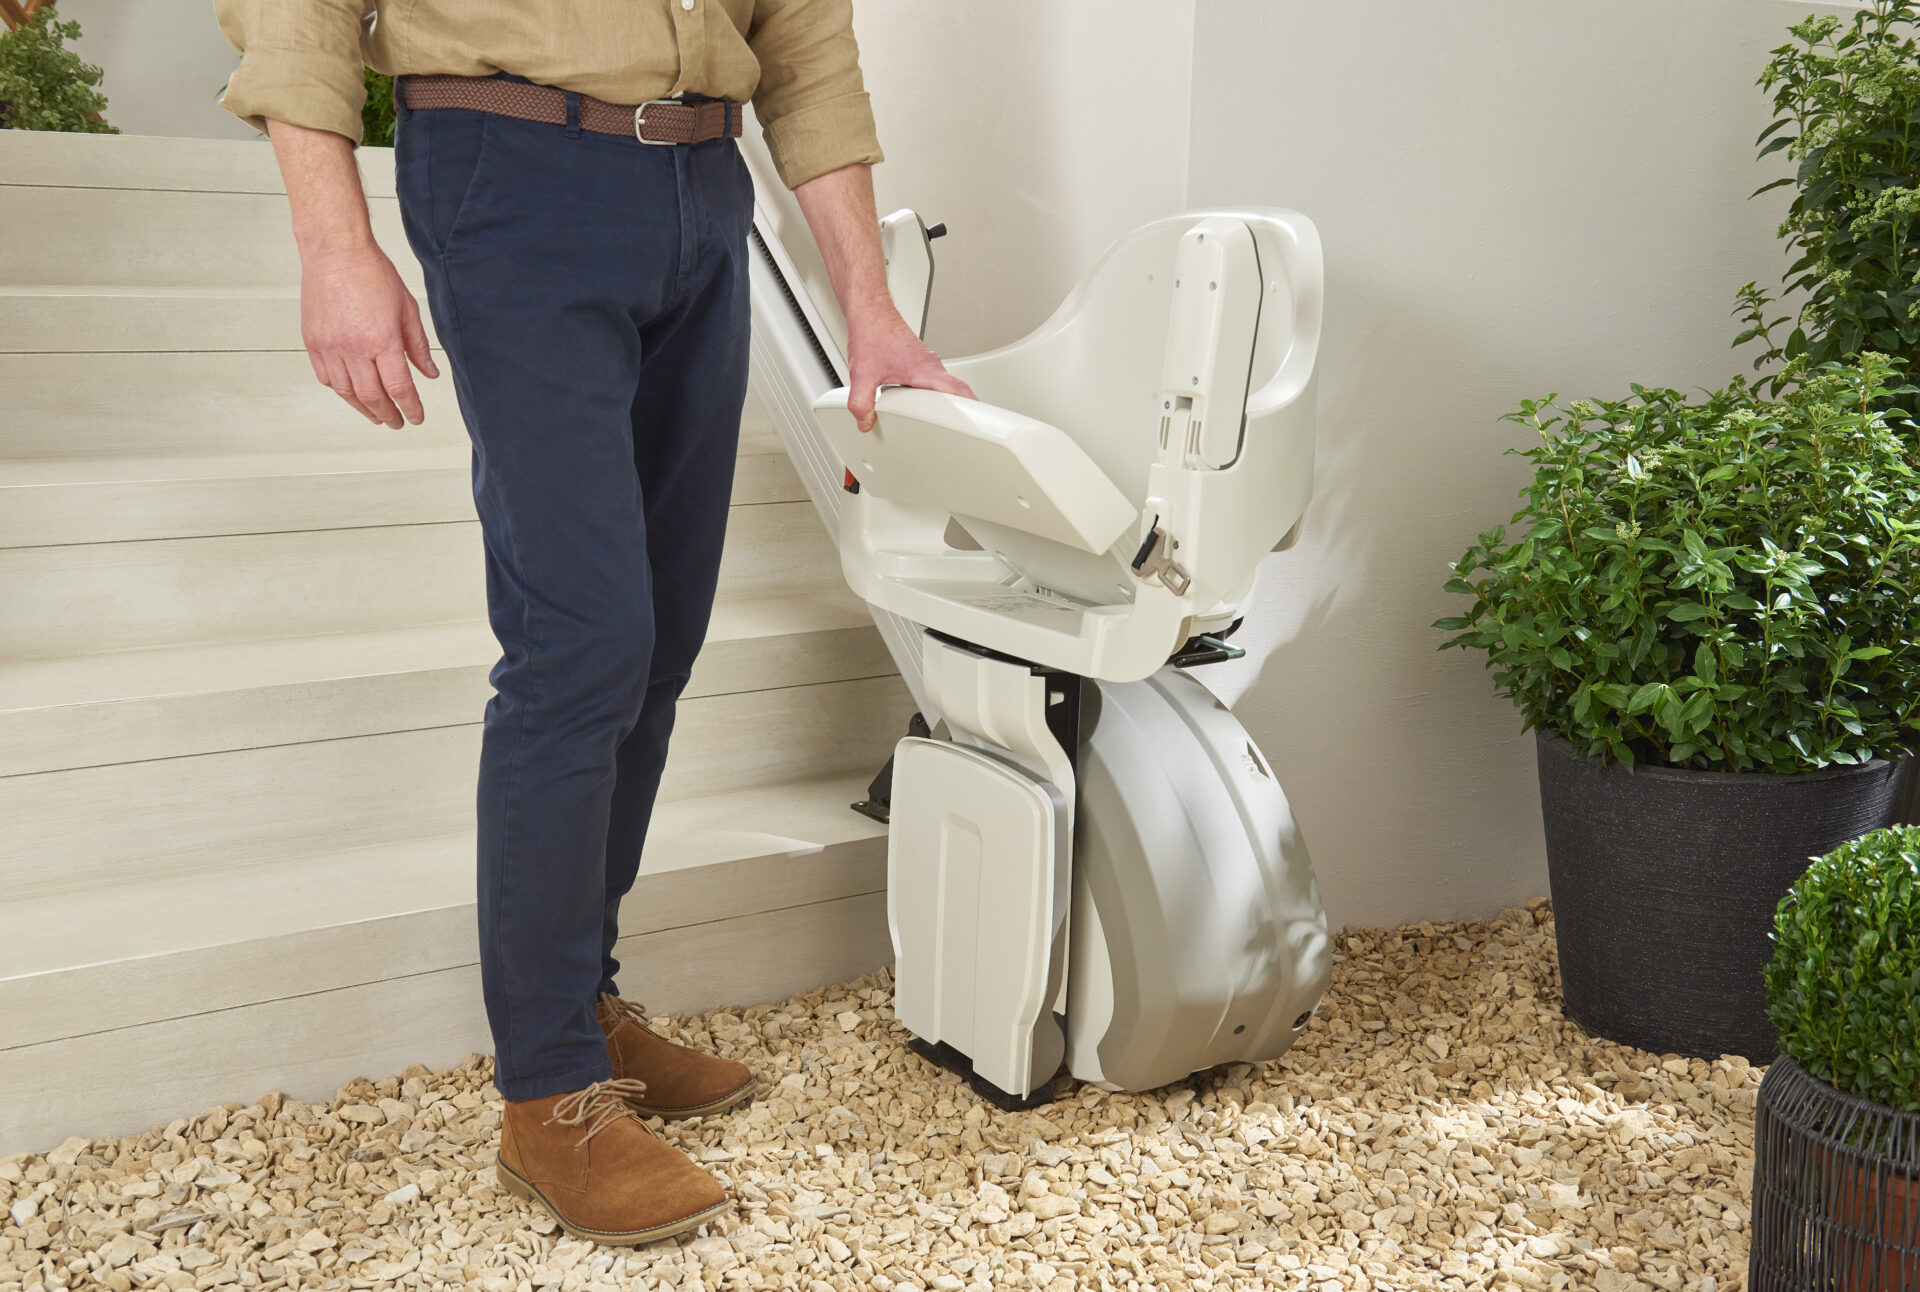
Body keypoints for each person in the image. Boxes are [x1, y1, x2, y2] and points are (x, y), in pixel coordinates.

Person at [213, 0, 974, 1246]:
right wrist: (333, 246)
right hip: (508, 170)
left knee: (661, 636)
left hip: (703, 192)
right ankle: (548, 1088)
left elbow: (808, 54)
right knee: (583, 638)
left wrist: (870, 309)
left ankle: (586, 992)